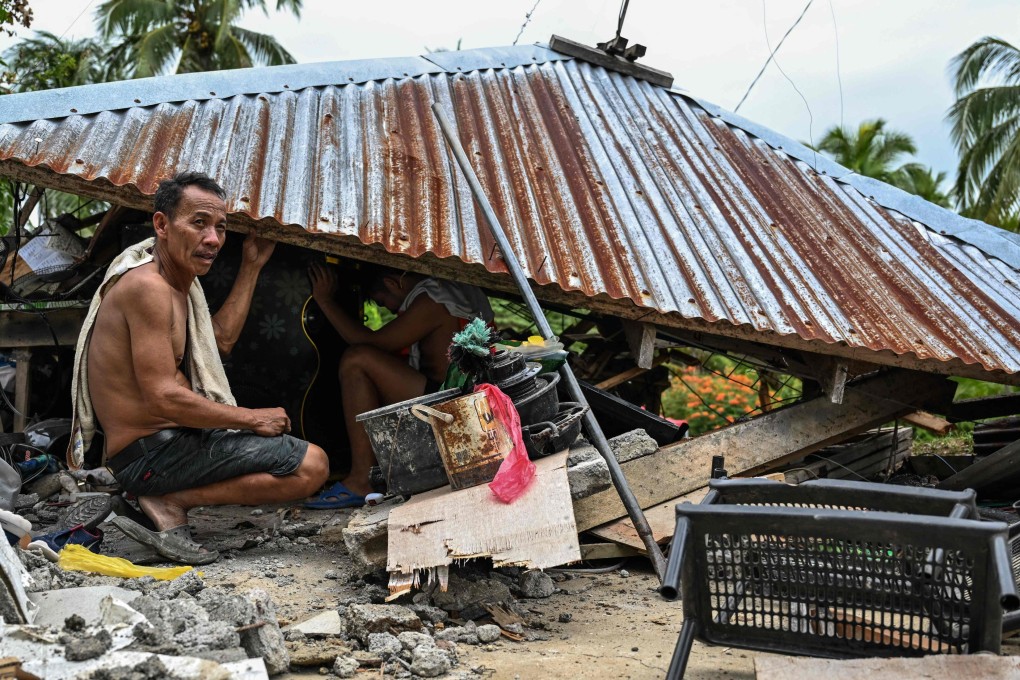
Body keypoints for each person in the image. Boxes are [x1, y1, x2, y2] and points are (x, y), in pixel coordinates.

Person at [71, 171, 329, 564]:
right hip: (149, 457)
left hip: (167, 446)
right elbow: (161, 397)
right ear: (162, 225)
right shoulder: (149, 288)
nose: (213, 239)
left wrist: (252, 265)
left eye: (220, 228)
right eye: (199, 223)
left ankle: (165, 496)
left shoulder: (179, 283)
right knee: (312, 465)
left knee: (307, 462)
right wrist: (250, 419)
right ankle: (169, 498)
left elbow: (219, 341)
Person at [304, 263, 493, 508]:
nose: (391, 311)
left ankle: (362, 480)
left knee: (356, 359)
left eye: (384, 302)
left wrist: (325, 301)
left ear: (394, 283)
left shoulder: (432, 300)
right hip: (455, 392)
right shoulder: (454, 288)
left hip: (448, 398)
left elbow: (372, 343)